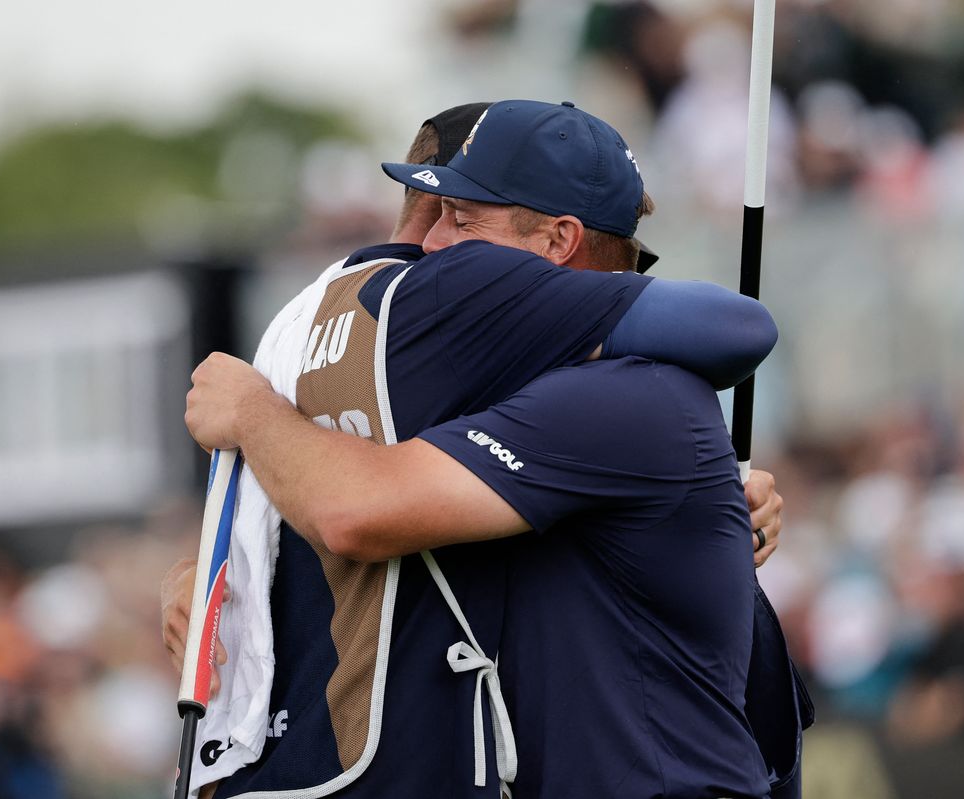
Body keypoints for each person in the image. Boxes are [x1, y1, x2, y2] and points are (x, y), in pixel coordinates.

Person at [167, 100, 791, 798]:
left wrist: (253, 412)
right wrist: (227, 576)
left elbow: (355, 509)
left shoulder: (630, 396)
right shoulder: (520, 395)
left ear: (558, 241)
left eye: (463, 222)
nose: (429, 248)